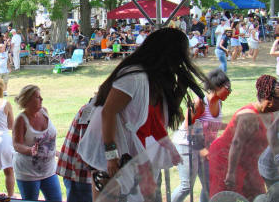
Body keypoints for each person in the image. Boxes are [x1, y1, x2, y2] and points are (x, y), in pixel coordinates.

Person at [78, 28, 209, 201]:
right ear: (168, 54)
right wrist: (111, 156)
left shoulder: (152, 78)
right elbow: (108, 112)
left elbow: (159, 119)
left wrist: (181, 89)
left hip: (127, 148)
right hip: (109, 146)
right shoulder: (135, 77)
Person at [209, 75, 279, 201]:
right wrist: (231, 173)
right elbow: (236, 144)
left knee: (257, 195)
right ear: (270, 100)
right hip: (227, 160)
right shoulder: (248, 116)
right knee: (227, 198)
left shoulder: (271, 114)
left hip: (250, 162)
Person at [171, 68, 231, 202]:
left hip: (203, 148)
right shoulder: (200, 103)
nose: (230, 92)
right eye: (228, 88)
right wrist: (200, 148)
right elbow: (188, 125)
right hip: (186, 145)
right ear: (217, 86)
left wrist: (230, 126)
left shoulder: (219, 103)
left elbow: (211, 124)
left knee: (208, 184)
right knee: (186, 186)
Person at [12, 85, 62, 201]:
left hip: (49, 170)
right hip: (28, 173)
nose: (42, 99)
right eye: (38, 97)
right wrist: (29, 150)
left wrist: (57, 152)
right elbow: (16, 144)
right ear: (28, 100)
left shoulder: (44, 112)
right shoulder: (21, 119)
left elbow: (47, 139)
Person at [56, 98, 95, 202]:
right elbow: (87, 147)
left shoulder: (96, 109)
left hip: (83, 174)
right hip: (79, 174)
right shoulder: (91, 110)